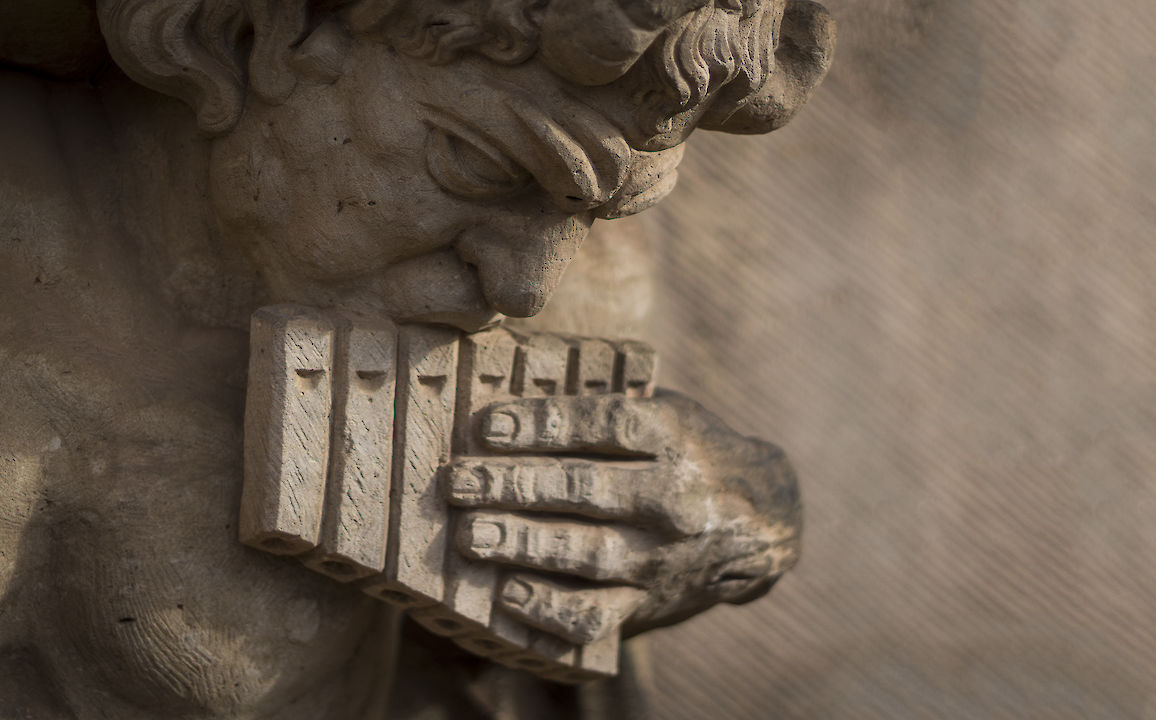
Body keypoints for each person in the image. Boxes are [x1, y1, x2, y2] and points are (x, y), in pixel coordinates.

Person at [0, 0, 833, 716]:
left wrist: (743, 519)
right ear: (264, 32)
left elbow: (512, 675)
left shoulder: (574, 310)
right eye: (474, 162)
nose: (523, 288)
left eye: (600, 215)